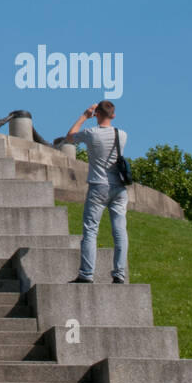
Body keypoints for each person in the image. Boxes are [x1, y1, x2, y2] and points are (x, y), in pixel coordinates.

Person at [65, 100, 129, 284]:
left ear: (97, 115)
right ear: (113, 115)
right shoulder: (122, 134)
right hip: (119, 187)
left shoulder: (91, 133)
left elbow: (70, 137)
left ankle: (87, 274)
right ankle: (119, 273)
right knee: (120, 232)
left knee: (91, 231)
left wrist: (84, 116)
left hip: (98, 186)